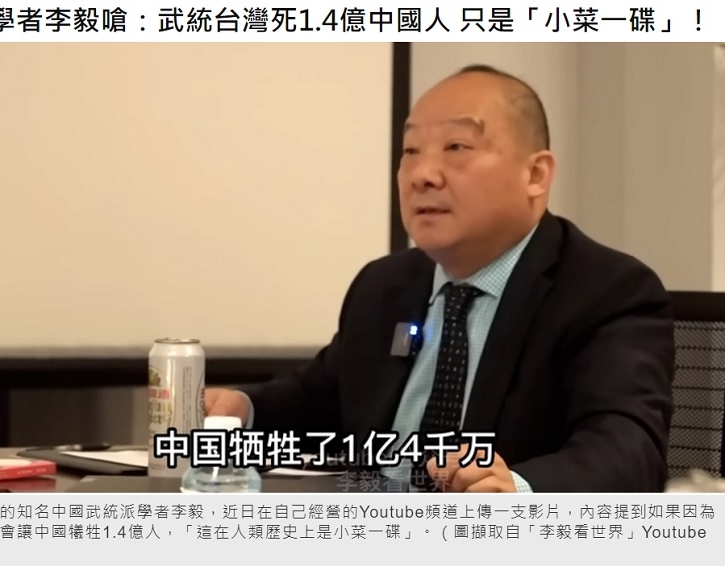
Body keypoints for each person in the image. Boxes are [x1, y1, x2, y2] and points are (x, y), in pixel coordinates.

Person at [205, 65, 675, 492]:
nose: (422, 175)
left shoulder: (606, 290)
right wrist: (243, 407)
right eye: (410, 151)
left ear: (535, 174)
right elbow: (319, 399)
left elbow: (626, 451)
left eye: (456, 147)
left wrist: (517, 489)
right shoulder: (384, 285)